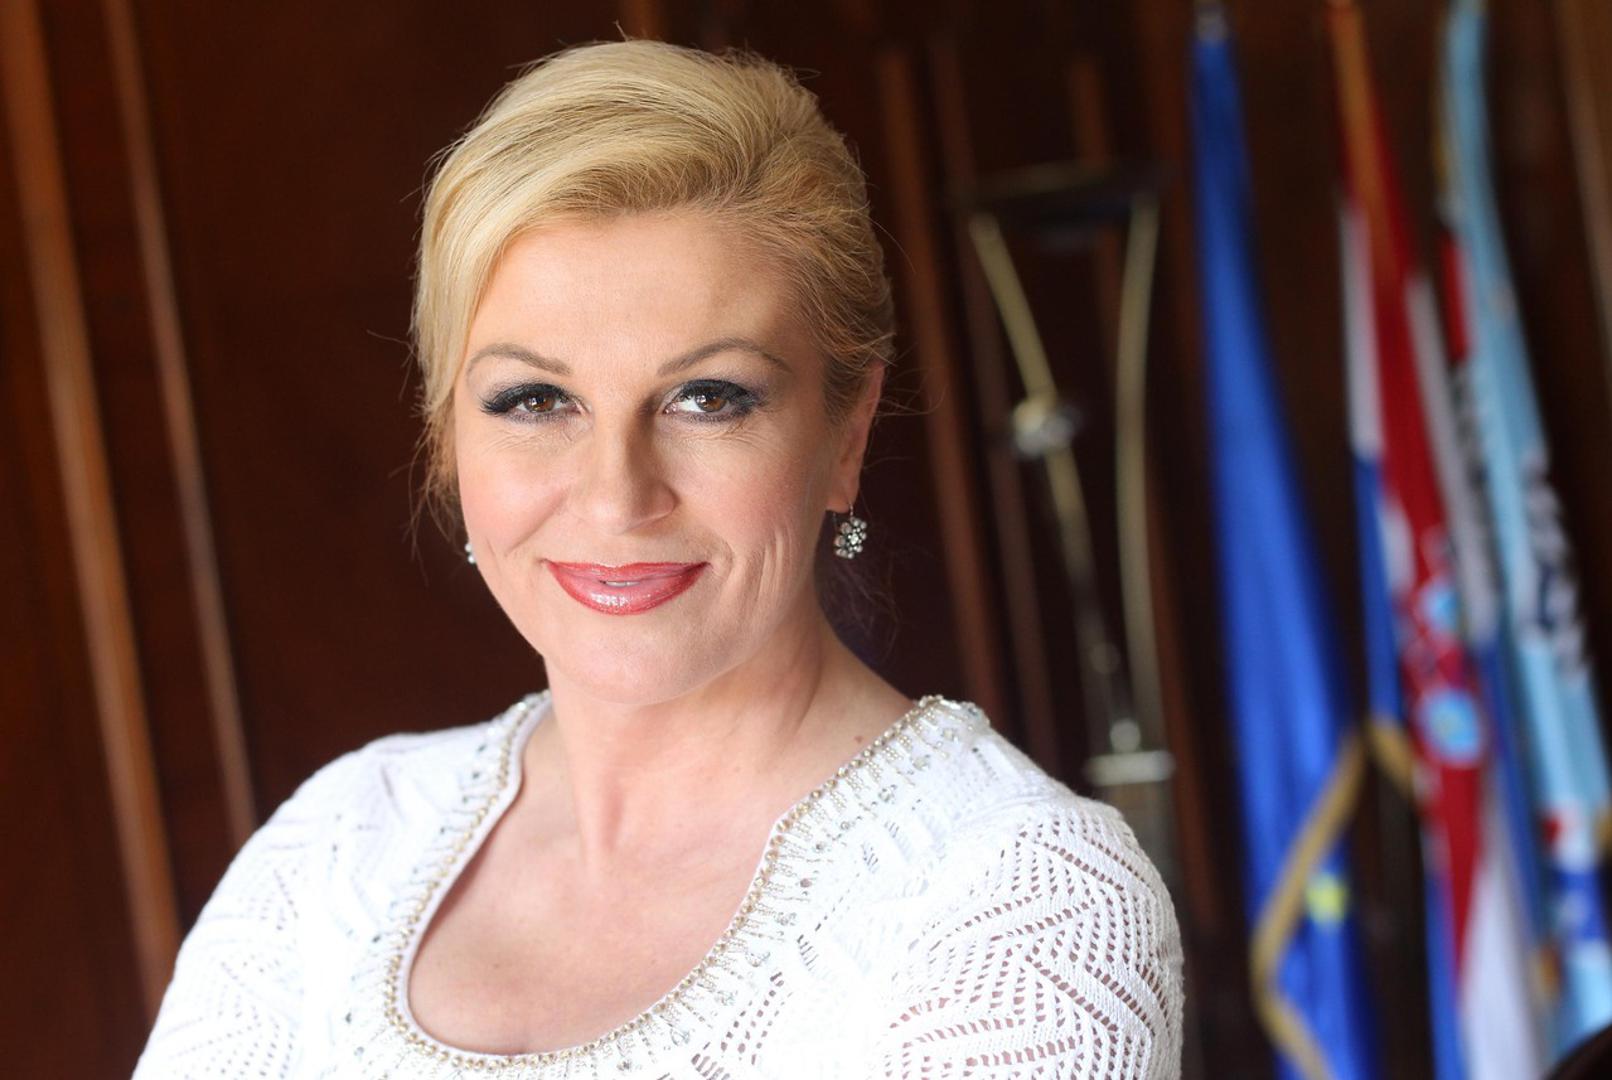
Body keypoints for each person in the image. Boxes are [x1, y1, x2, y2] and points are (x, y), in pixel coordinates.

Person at [132, 38, 1183, 1078]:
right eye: (534, 400)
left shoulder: (1023, 899)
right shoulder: (339, 845)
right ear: (447, 439)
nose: (616, 498)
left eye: (707, 398)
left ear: (846, 436)